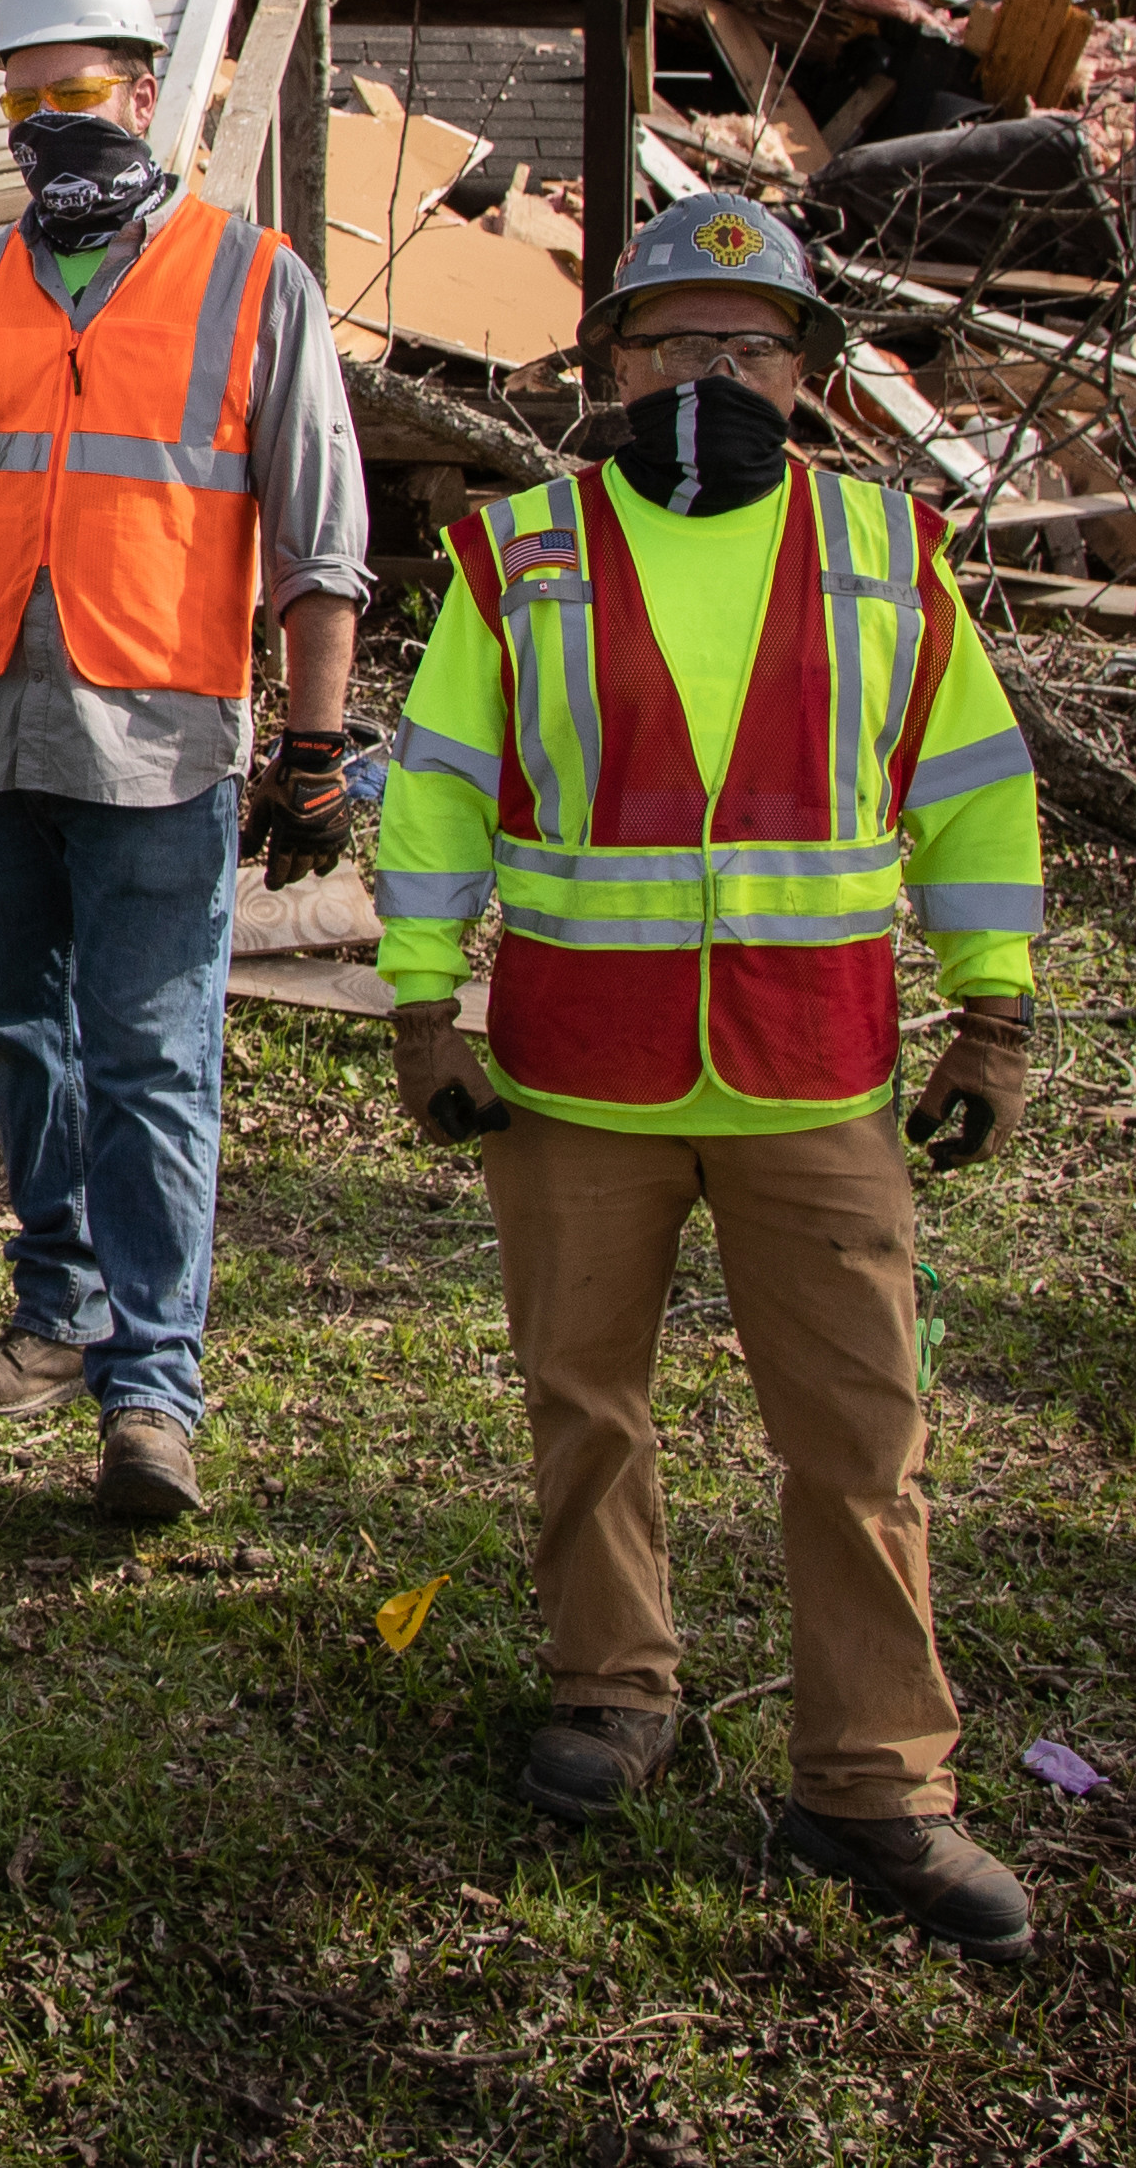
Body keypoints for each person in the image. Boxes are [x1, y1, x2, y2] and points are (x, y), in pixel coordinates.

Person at [374, 192, 1049, 1960]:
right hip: (574, 1082)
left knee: (860, 1438)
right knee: (582, 1405)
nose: (711, 370)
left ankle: (876, 1783)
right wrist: (419, 1004)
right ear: (605, 365)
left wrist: (994, 1014)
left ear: (808, 373)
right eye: (674, 341)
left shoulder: (888, 554)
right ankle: (611, 1689)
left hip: (813, 1083)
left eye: (748, 343)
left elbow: (970, 791)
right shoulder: (515, 554)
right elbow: (441, 789)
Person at [0, 0, 369, 1526]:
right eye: (23, 100)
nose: (46, 124)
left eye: (74, 93)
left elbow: (317, 535)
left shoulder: (252, 276)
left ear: (148, 93)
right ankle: (58, 1304)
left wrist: (312, 743)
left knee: (154, 1055)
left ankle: (152, 1385)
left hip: (160, 734)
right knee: (24, 1029)